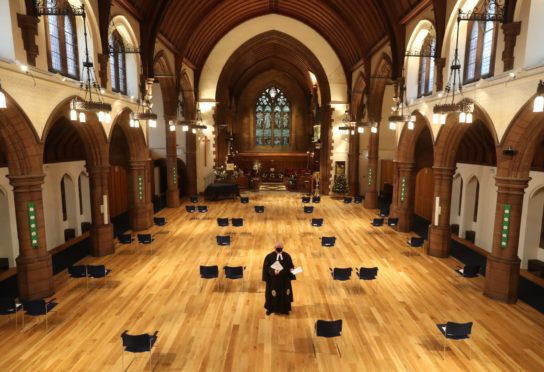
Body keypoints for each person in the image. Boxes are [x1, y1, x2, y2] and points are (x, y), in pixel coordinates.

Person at [262, 243, 296, 315]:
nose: (279, 248)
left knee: (285, 294)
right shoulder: (269, 257)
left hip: (284, 280)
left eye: (280, 247)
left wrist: (291, 270)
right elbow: (266, 268)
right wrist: (273, 271)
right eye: (278, 247)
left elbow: (291, 266)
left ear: (283, 247)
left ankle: (285, 309)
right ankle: (270, 309)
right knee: (272, 295)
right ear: (274, 247)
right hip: (273, 280)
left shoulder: (287, 256)